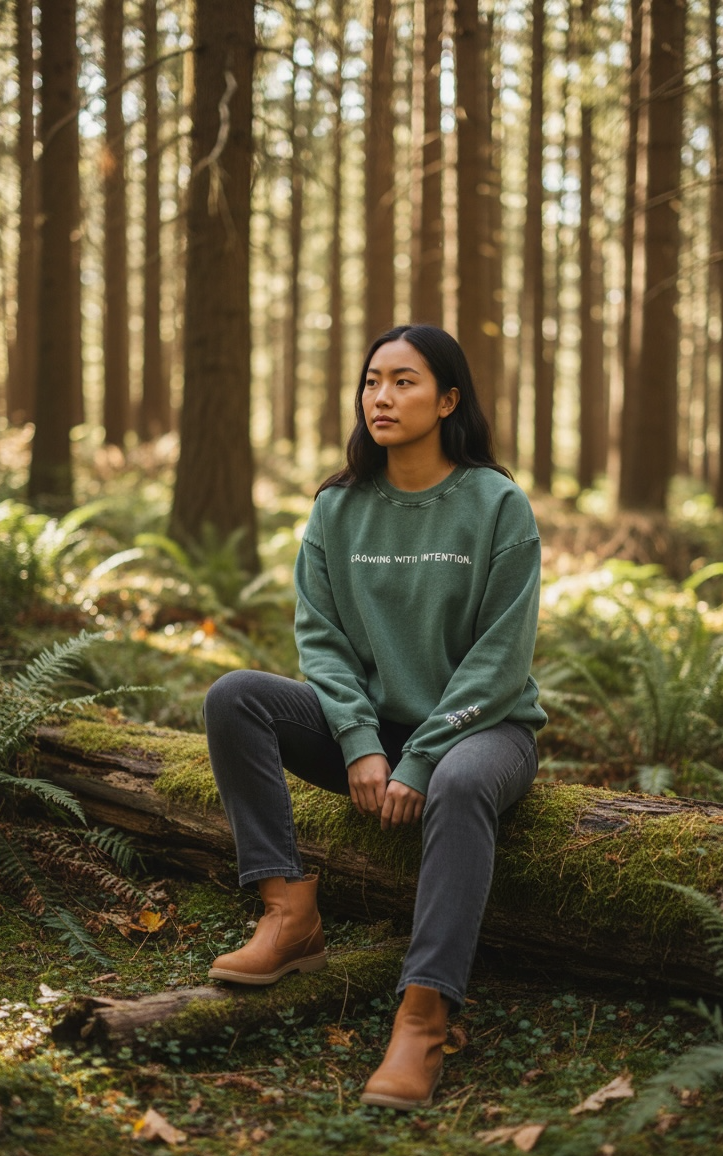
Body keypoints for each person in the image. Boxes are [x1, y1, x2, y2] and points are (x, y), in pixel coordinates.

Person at [203, 324, 546, 1110]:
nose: (381, 397)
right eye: (371, 382)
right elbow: (319, 642)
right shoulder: (339, 506)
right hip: (378, 733)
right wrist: (360, 742)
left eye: (404, 382)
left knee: (459, 785)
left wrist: (420, 759)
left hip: (484, 729)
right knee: (235, 697)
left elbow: (499, 662)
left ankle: (423, 1016)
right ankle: (289, 913)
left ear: (448, 399)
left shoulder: (496, 504)